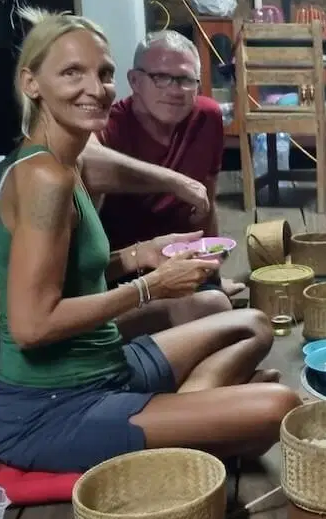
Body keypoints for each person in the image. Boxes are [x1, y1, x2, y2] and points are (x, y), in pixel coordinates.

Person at [0, 8, 300, 474]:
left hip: (108, 365)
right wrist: (150, 286)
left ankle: (193, 422)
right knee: (278, 405)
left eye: (103, 73)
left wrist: (140, 255)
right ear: (31, 83)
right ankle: (194, 431)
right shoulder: (44, 177)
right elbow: (32, 326)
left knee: (252, 323)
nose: (95, 88)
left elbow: (69, 276)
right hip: (54, 408)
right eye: (72, 72)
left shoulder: (63, 163)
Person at [96, 30, 245, 319]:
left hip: (184, 260)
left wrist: (211, 272)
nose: (175, 90)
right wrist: (174, 181)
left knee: (222, 307)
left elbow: (207, 198)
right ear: (134, 81)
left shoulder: (207, 116)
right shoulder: (109, 128)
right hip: (122, 272)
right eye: (161, 77)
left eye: (186, 80)